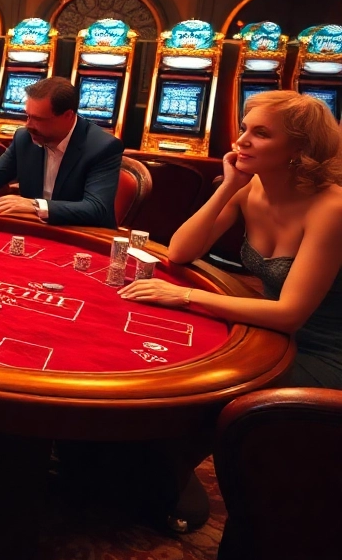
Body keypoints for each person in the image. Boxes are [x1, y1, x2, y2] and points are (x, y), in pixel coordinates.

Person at [122, 90, 342, 388]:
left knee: (192, 386)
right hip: (268, 334)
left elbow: (290, 314)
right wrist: (228, 187)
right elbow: (180, 251)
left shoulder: (331, 209)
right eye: (244, 128)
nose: (241, 141)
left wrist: (187, 296)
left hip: (322, 353)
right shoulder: (250, 189)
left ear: (299, 147)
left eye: (261, 133)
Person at [0, 76, 123, 227]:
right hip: (34, 229)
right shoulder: (24, 138)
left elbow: (96, 208)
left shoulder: (102, 147)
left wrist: (35, 205)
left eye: (38, 119)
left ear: (68, 116)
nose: (28, 125)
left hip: (83, 235)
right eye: (27, 116)